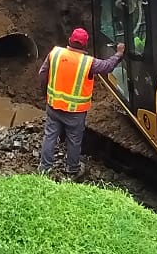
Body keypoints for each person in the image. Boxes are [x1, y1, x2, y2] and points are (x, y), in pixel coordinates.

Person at [37, 28, 125, 178]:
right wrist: (119, 53)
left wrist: (45, 94)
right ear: (85, 45)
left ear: (70, 40)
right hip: (75, 112)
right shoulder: (88, 62)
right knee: (74, 141)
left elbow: (42, 74)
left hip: (53, 106)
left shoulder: (55, 53)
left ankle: (44, 168)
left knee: (50, 136)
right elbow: (107, 66)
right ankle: (73, 170)